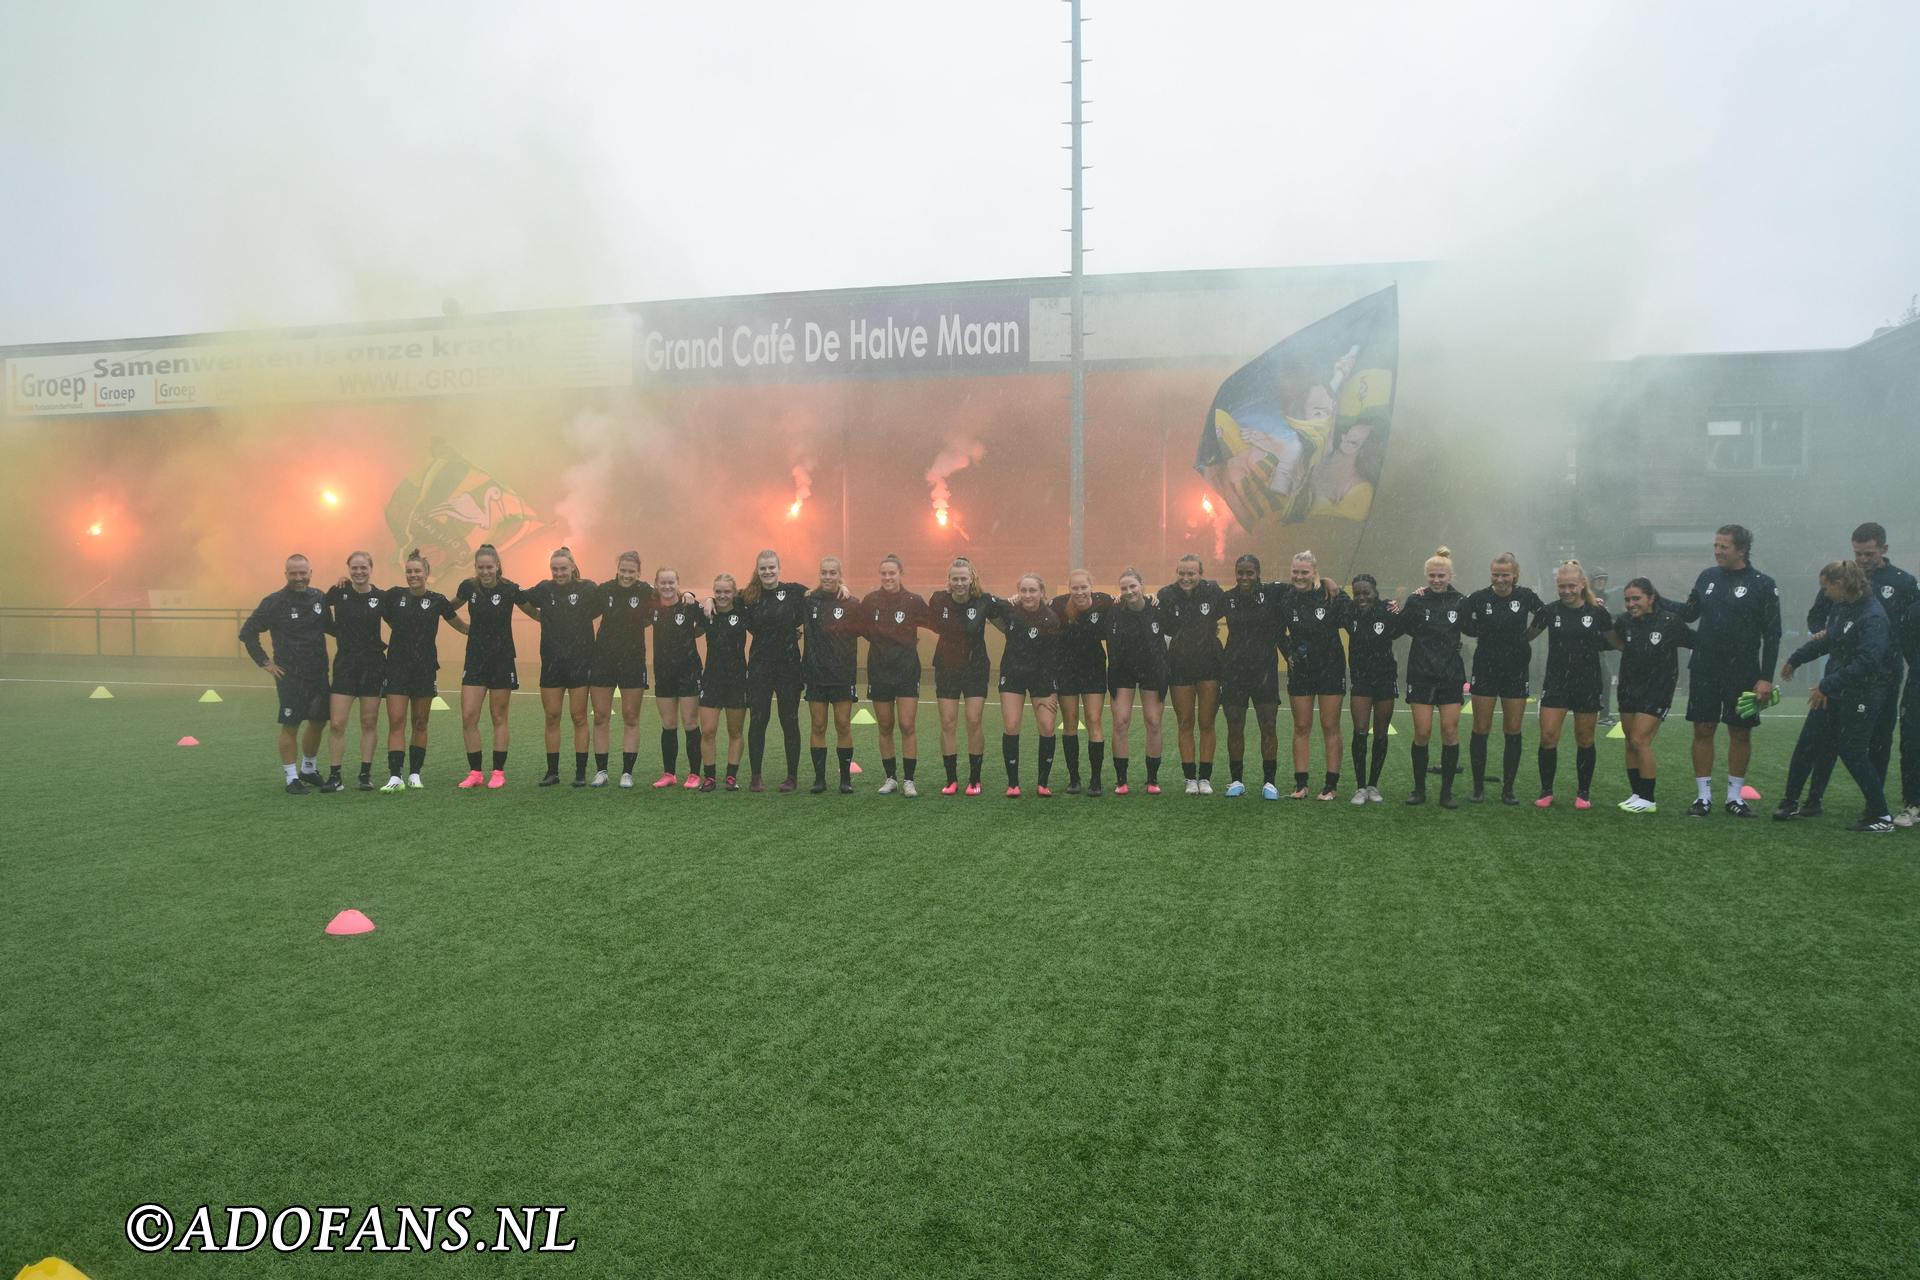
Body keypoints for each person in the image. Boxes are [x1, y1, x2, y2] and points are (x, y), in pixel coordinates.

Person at [1799, 522, 1917, 818]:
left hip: (1885, 676)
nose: (1863, 560)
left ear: (1884, 550)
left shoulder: (1903, 582)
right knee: (1826, 737)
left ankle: (1873, 805)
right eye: (1858, 553)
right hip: (1843, 672)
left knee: (1880, 739)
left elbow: (1913, 626)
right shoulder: (1843, 577)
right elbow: (1817, 616)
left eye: (1869, 554)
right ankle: (1813, 799)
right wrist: (1822, 633)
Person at [1776, 560, 1896, 832]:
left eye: (1826, 587)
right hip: (1836, 688)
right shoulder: (1843, 607)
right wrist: (1796, 659)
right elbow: (1829, 640)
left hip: (1864, 692)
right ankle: (1790, 801)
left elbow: (1868, 661)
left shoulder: (1873, 616)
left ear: (1841, 585)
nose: (1825, 593)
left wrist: (1827, 684)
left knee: (1852, 751)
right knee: (1808, 742)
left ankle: (1881, 816)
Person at [1678, 524, 1782, 817]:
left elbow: (1772, 635)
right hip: (1705, 666)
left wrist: (1765, 677)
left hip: (1744, 671)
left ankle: (1735, 797)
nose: (1717, 551)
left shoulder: (1763, 583)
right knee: (1703, 728)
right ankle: (1703, 797)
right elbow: (1689, 613)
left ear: (1741, 550)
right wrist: (1656, 601)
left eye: (1723, 547)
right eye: (1715, 545)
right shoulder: (1707, 577)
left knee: (1740, 732)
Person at [239, 553, 333, 794]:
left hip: (319, 672)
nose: (299, 578)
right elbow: (247, 633)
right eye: (294, 573)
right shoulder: (274, 602)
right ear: (286, 575)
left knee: (318, 721)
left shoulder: (319, 598)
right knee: (291, 724)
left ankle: (308, 770)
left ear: (311, 573)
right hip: (290, 676)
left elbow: (331, 629)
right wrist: (265, 662)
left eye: (303, 573)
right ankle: (291, 778)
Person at [377, 549, 467, 791]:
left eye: (417, 571)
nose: (413, 575)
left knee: (420, 722)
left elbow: (460, 625)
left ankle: (415, 774)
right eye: (409, 571)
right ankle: (395, 776)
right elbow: (370, 598)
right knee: (396, 721)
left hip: (424, 668)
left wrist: (483, 631)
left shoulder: (437, 600)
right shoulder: (394, 595)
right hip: (396, 667)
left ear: (427, 573)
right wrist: (345, 584)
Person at [1461, 552, 1545, 805]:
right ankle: (1478, 788)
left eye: (1505, 574)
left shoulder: (1525, 596)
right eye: (1496, 574)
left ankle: (1508, 790)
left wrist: (1527, 636)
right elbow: (1463, 620)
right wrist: (1480, 632)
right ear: (1491, 574)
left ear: (1515, 575)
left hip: (1516, 669)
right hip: (1485, 668)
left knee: (1512, 729)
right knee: (1481, 728)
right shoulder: (1479, 598)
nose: (1500, 579)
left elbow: (1545, 614)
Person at [1531, 560, 1612, 809]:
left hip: (1587, 683)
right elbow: (1525, 636)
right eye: (1561, 586)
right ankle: (1546, 791)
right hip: (1556, 682)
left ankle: (1583, 793)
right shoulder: (1550, 611)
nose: (1566, 591)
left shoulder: (1597, 612)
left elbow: (1615, 641)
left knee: (1585, 738)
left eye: (1571, 586)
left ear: (1582, 585)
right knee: (1547, 736)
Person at [1392, 547, 1468, 807]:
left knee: (1449, 731)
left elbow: (1474, 627)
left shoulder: (1461, 601)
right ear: (1426, 576)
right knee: (1422, 732)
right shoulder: (1417, 600)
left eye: (1441, 576)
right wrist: (1394, 610)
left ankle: (1446, 793)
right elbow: (1399, 629)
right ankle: (1419, 789)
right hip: (1421, 673)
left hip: (1450, 674)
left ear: (1450, 575)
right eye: (1432, 576)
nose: (1437, 580)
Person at [1608, 578, 1692, 813]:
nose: (1631, 604)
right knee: (1630, 743)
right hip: (1628, 688)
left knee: (1639, 740)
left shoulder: (1670, 622)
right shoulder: (1624, 622)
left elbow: (1697, 642)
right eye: (1627, 600)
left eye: (1636, 599)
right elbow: (1609, 641)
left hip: (1657, 690)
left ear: (1651, 598)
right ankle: (1636, 794)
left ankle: (1648, 799)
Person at [521, 547, 600, 787]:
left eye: (563, 568)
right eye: (555, 569)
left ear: (573, 566)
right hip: (552, 662)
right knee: (552, 716)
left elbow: (604, 603)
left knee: (578, 717)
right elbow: (519, 597)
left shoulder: (588, 588)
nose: (559, 573)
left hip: (580, 661)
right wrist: (537, 615)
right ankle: (552, 772)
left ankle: (580, 773)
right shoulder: (544, 588)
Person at [452, 543, 523, 789]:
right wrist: (464, 629)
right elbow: (445, 609)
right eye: (480, 567)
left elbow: (536, 612)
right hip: (475, 660)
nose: (485, 571)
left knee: (498, 716)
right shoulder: (468, 587)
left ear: (497, 567)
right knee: (469, 716)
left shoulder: (510, 589)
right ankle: (475, 773)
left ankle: (498, 772)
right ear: (475, 568)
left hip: (502, 659)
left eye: (489, 567)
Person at [1280, 550, 1349, 800]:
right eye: (1296, 571)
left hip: (1331, 668)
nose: (1299, 576)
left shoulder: (1331, 593)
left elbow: (1354, 615)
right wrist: (1288, 652)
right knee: (1301, 726)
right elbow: (1278, 631)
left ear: (1314, 572)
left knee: (1330, 726)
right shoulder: (1285, 596)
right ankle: (1301, 784)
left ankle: (1331, 785)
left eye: (1304, 572)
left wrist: (1334, 583)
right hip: (1301, 670)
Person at [739, 550, 809, 792]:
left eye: (771, 568)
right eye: (763, 568)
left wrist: (841, 586)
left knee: (789, 720)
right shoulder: (748, 596)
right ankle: (756, 776)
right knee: (758, 720)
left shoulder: (794, 592)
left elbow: (819, 594)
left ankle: (792, 777)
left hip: (789, 667)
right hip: (760, 667)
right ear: (757, 570)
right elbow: (721, 599)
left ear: (779, 568)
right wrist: (698, 597)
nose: (767, 572)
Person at [927, 557, 998, 795]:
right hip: (947, 667)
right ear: (949, 580)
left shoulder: (984, 601)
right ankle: (951, 779)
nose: (959, 583)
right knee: (947, 722)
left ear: (971, 579)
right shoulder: (938, 600)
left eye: (963, 578)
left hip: (975, 667)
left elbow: (1010, 614)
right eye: (955, 578)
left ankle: (975, 780)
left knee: (974, 721)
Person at [1158, 554, 1228, 795]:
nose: (1186, 578)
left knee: (1207, 722)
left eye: (1191, 573)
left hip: (1209, 664)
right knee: (1185, 722)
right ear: (1176, 572)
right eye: (1182, 573)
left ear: (1201, 573)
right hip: (1179, 666)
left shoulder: (1213, 591)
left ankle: (1205, 778)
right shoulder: (1166, 595)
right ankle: (1190, 778)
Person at [863, 554, 933, 796]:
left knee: (906, 725)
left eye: (892, 573)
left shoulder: (913, 601)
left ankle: (909, 780)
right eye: (883, 573)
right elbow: (859, 626)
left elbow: (935, 622)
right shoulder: (870, 601)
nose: (887, 577)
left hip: (906, 670)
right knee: (885, 725)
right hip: (879, 670)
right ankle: (891, 778)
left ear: (900, 574)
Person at [1219, 554, 1282, 799]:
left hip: (1264, 670)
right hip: (1234, 671)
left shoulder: (1272, 595)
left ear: (1258, 573)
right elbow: (1200, 618)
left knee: (1268, 724)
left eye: (1249, 573)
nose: (1245, 577)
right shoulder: (1227, 598)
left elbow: (1306, 584)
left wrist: (1327, 581)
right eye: (1240, 573)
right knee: (1235, 725)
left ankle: (1270, 782)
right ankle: (1236, 780)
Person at [323, 550, 388, 791]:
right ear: (348, 569)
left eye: (364, 568)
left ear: (371, 569)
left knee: (369, 722)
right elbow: (319, 608)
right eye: (355, 568)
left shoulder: (380, 597)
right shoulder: (339, 592)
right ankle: (335, 776)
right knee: (337, 723)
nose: (359, 572)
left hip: (372, 666)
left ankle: (365, 774)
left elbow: (399, 622)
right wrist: (336, 631)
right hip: (345, 666)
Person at [588, 552, 653, 789]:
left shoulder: (646, 591)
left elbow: (667, 601)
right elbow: (585, 612)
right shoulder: (604, 590)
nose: (626, 575)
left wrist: (689, 595)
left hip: (633, 660)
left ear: (638, 573)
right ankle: (601, 771)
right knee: (601, 716)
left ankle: (627, 773)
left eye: (631, 571)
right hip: (603, 659)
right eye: (623, 570)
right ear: (617, 569)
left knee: (631, 716)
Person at [994, 573, 1061, 797]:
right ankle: (1013, 784)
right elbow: (988, 610)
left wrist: (1052, 689)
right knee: (1011, 725)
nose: (1028, 595)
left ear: (1042, 592)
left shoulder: (1051, 618)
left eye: (1033, 590)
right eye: (1023, 590)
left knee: (1047, 727)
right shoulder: (1010, 612)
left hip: (1042, 678)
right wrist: (1007, 600)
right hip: (1013, 675)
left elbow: (1052, 657)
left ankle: (1043, 783)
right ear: (1018, 592)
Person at [1105, 568, 1169, 795]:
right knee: (1121, 722)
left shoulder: (1157, 608)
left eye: (1133, 586)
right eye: (1124, 588)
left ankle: (1152, 779)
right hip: (1122, 672)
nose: (1129, 591)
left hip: (1152, 671)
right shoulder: (1114, 610)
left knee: (1153, 721)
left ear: (1142, 585)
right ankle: (1121, 780)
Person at [803, 557, 862, 794]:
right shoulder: (809, 601)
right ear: (820, 574)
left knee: (843, 724)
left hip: (842, 674)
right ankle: (819, 779)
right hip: (816, 672)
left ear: (840, 575)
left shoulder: (852, 603)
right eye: (824, 573)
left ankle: (845, 779)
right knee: (818, 725)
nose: (828, 577)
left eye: (832, 573)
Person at [1052, 570, 1114, 795]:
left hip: (1094, 668)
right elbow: (1035, 608)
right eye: (1074, 588)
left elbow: (1127, 601)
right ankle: (1074, 778)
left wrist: (1150, 598)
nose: (1079, 592)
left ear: (1091, 586)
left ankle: (1095, 780)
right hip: (1066, 669)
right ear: (1069, 588)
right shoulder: (1058, 605)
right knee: (1070, 722)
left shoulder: (1104, 602)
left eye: (1083, 587)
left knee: (1094, 720)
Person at [648, 566, 706, 789]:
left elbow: (707, 617)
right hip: (663, 673)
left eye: (671, 582)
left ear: (678, 583)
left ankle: (694, 774)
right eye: (663, 582)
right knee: (668, 724)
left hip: (688, 671)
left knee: (690, 723)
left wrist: (696, 596)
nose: (667, 586)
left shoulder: (688, 606)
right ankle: (669, 773)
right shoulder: (651, 607)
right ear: (656, 583)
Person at [1345, 574, 1398, 804]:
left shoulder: (1388, 611)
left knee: (1381, 733)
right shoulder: (1349, 612)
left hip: (1385, 678)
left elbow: (1409, 622)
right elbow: (1330, 594)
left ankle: (1373, 785)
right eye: (1357, 593)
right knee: (1360, 731)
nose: (1362, 597)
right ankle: (1359, 787)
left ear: (1375, 592)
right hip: (1361, 680)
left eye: (1366, 592)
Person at [697, 574, 751, 791]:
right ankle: (709, 777)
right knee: (708, 730)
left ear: (734, 592)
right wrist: (706, 600)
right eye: (717, 591)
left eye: (726, 591)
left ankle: (731, 776)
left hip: (737, 679)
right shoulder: (707, 612)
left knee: (735, 731)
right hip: (712, 679)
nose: (722, 596)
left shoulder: (743, 610)